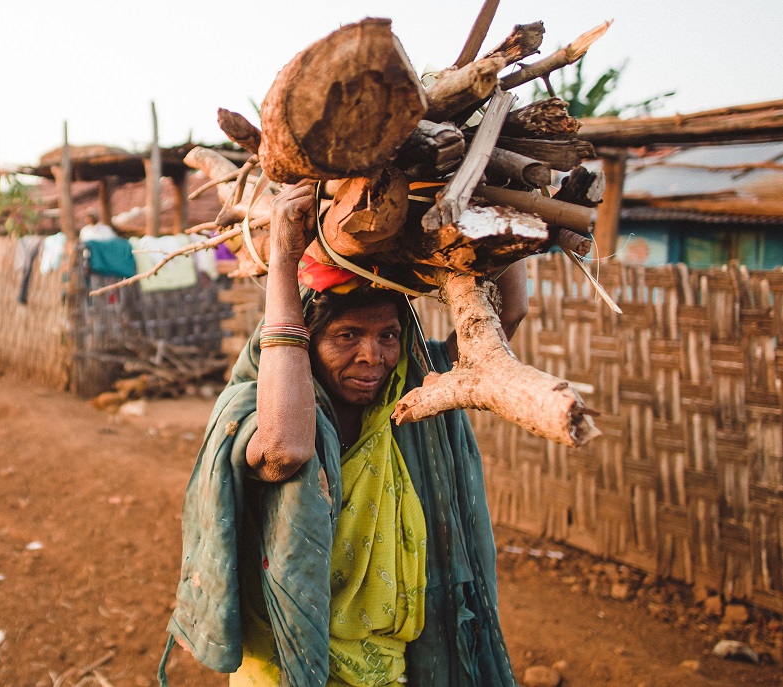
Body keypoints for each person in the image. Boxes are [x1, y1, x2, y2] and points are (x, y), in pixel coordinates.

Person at [162, 180, 527, 687]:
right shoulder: (255, 406)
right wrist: (286, 260)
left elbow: (509, 314)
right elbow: (285, 450)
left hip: (387, 666)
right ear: (305, 339)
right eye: (346, 336)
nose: (371, 357)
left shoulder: (412, 397)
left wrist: (495, 219)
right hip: (287, 666)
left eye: (388, 336)